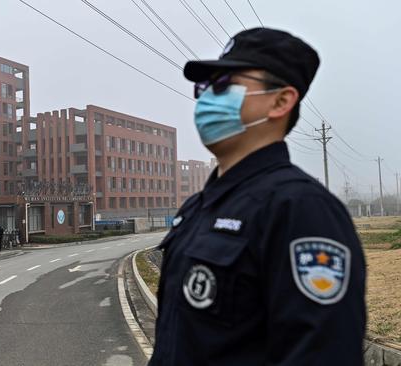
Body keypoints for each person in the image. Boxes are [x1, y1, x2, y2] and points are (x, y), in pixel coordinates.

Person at [150, 28, 366, 366]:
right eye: (204, 87)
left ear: (281, 100)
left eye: (223, 85)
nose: (207, 99)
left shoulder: (301, 210)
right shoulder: (196, 208)